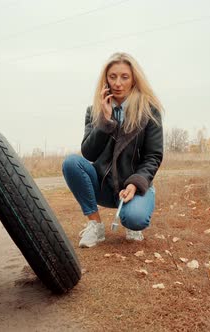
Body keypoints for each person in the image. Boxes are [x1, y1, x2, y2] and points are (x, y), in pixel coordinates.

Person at [62, 52, 164, 248]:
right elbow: (88, 153)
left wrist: (136, 184)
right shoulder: (94, 111)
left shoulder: (149, 111)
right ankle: (95, 225)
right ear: (106, 80)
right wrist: (105, 122)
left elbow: (153, 156)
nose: (118, 83)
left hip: (132, 186)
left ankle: (136, 208)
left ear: (134, 79)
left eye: (124, 77)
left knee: (135, 219)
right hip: (102, 185)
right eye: (112, 77)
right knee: (71, 163)